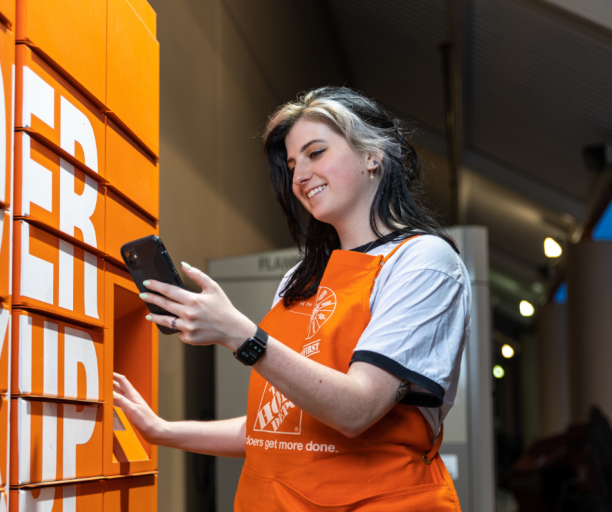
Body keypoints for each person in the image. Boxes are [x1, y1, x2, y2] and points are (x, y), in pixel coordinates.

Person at [113, 86, 468, 510]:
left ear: (373, 155)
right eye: (293, 163)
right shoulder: (300, 278)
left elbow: (357, 410)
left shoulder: (422, 261)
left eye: (316, 153)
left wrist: (242, 336)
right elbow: (281, 427)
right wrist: (162, 431)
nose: (299, 176)